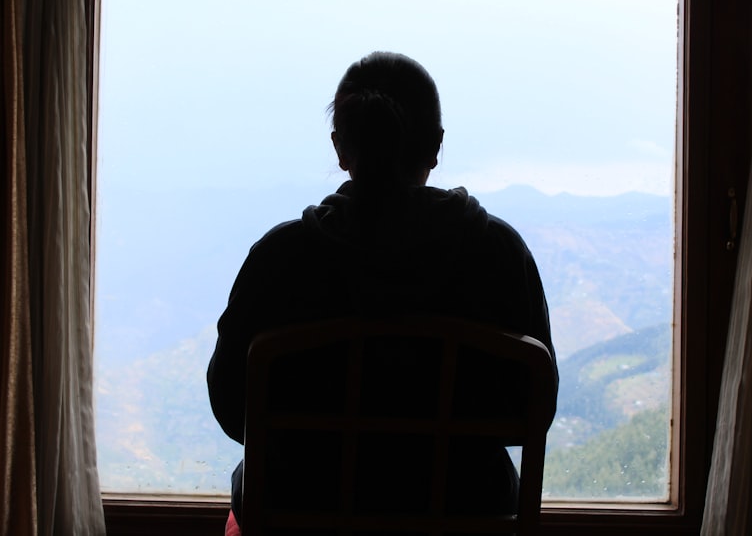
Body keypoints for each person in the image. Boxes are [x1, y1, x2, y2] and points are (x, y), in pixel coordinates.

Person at [208, 51, 557, 535]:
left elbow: (231, 409)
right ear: (435, 146)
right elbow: (534, 412)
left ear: (341, 148)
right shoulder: (498, 254)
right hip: (468, 517)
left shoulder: (279, 259)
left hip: (303, 516)